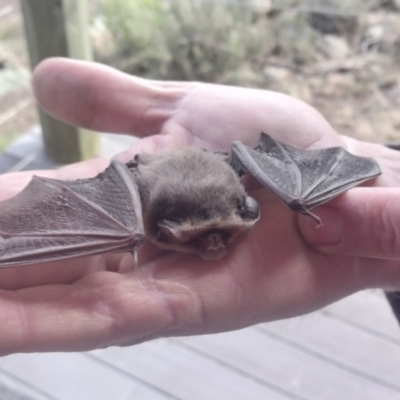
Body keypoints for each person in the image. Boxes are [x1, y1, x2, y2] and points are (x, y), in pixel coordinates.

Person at [0, 57, 399, 355]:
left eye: (220, 235)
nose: (214, 247)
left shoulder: (239, 206)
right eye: (204, 239)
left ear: (243, 215)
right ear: (165, 233)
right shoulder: (142, 222)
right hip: (150, 181)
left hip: (209, 173)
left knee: (296, 199)